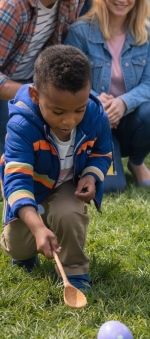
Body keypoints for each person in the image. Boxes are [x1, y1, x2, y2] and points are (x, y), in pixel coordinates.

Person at [0, 45, 113, 292]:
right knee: (18, 248)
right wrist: (37, 226)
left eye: (78, 110)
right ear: (35, 95)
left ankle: (74, 271)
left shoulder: (96, 115)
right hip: (30, 186)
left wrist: (92, 177)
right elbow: (17, 181)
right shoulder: (21, 124)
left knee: (68, 212)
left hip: (66, 185)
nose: (69, 121)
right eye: (58, 111)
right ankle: (28, 243)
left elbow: (102, 153)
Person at [65, 0, 150, 191]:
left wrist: (123, 103)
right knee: (111, 187)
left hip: (129, 116)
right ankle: (107, 151)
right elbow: (69, 83)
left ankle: (137, 162)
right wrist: (95, 101)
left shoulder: (146, 33)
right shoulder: (80, 32)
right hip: (93, 119)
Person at [0, 0, 93, 154]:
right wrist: (39, 94)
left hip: (35, 78)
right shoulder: (11, 3)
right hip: (10, 85)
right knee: (16, 151)